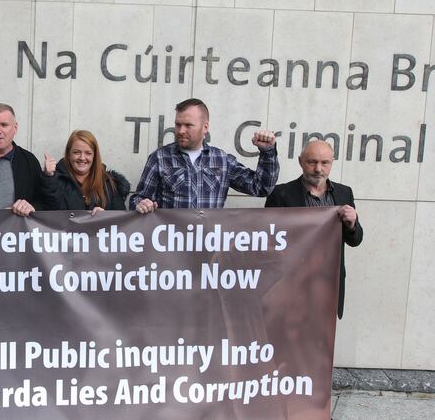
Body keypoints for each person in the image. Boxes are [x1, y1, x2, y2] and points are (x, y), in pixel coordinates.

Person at [265, 140, 363, 319]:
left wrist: (352, 223)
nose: (318, 169)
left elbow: (355, 240)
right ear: (300, 161)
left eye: (325, 163)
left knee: (323, 344)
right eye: (312, 162)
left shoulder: (344, 193)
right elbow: (266, 240)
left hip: (329, 286)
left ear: (332, 162)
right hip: (290, 287)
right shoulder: (280, 194)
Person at [130, 98, 279, 212]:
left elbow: (260, 188)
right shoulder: (160, 158)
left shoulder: (222, 160)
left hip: (209, 248)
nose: (181, 130)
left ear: (205, 127)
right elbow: (138, 198)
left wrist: (268, 151)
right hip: (171, 247)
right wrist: (141, 204)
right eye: (178, 124)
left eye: (188, 125)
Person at [42, 130, 130, 214]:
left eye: (88, 153)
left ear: (95, 156)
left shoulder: (109, 183)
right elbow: (51, 217)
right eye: (76, 152)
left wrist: (105, 217)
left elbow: (121, 222)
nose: (82, 158)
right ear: (68, 154)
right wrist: (49, 178)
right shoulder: (55, 181)